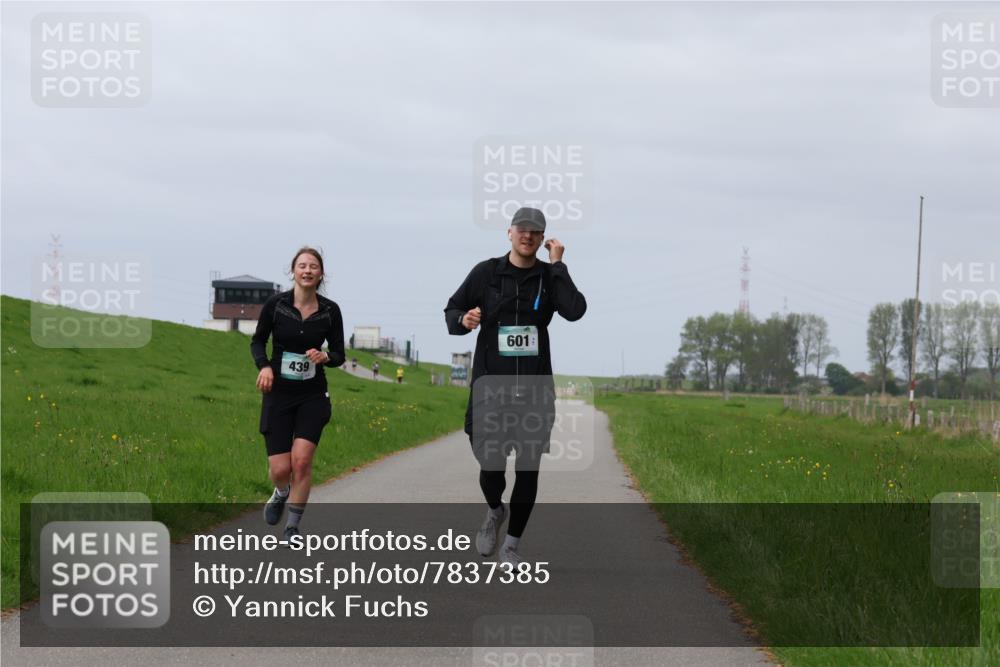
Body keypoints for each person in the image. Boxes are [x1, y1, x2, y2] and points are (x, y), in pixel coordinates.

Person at [444, 207, 586, 565]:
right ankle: (495, 509)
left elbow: (575, 309)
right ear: (509, 233)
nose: (528, 236)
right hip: (491, 388)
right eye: (522, 229)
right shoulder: (486, 274)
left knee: (528, 467)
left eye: (536, 232)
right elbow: (452, 310)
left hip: (534, 391)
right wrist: (464, 319)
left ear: (543, 239)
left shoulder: (547, 277)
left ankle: (511, 546)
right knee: (490, 466)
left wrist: (558, 265)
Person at [251, 247, 345, 541]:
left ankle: (293, 527)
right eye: (302, 265)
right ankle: (281, 491)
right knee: (280, 469)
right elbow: (257, 341)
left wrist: (325, 356)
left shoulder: (330, 311)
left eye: (313, 266)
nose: (307, 271)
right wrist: (264, 366)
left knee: (302, 461)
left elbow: (340, 353)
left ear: (320, 274)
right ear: (293, 271)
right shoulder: (276, 305)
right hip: (278, 393)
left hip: (312, 395)